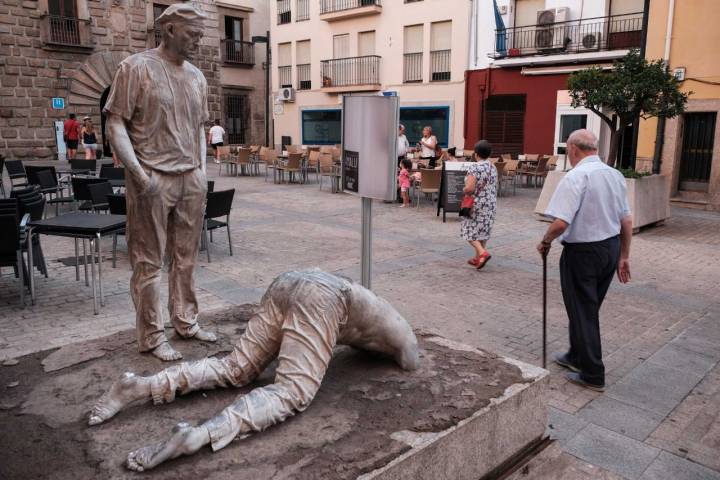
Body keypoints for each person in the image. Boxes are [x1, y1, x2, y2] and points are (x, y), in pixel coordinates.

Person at [88, 269, 420, 472]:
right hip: (321, 298)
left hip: (288, 281)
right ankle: (197, 436)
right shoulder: (399, 328)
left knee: (237, 367)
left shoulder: (364, 300)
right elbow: (411, 361)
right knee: (291, 391)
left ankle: (140, 385)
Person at [104, 3, 216, 362]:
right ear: (169, 29)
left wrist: (201, 169)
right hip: (151, 178)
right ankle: (152, 336)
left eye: (200, 34)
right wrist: (138, 174)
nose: (197, 40)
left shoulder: (197, 77)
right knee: (148, 263)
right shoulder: (135, 68)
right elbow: (116, 123)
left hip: (190, 179)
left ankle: (185, 320)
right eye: (192, 33)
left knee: (186, 259)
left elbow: (200, 127)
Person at [537, 129, 632, 392]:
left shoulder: (576, 177)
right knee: (586, 307)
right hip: (610, 248)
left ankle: (593, 373)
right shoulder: (615, 175)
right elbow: (627, 220)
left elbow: (560, 222)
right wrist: (624, 255)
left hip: (583, 253)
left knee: (584, 310)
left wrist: (545, 241)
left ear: (574, 150)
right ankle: (576, 355)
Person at [461, 140, 497, 270]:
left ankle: (482, 253)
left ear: (476, 154)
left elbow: (470, 188)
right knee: (483, 231)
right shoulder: (493, 167)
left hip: (476, 204)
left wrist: (463, 189)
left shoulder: (474, 167)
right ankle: (478, 258)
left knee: (468, 231)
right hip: (490, 204)